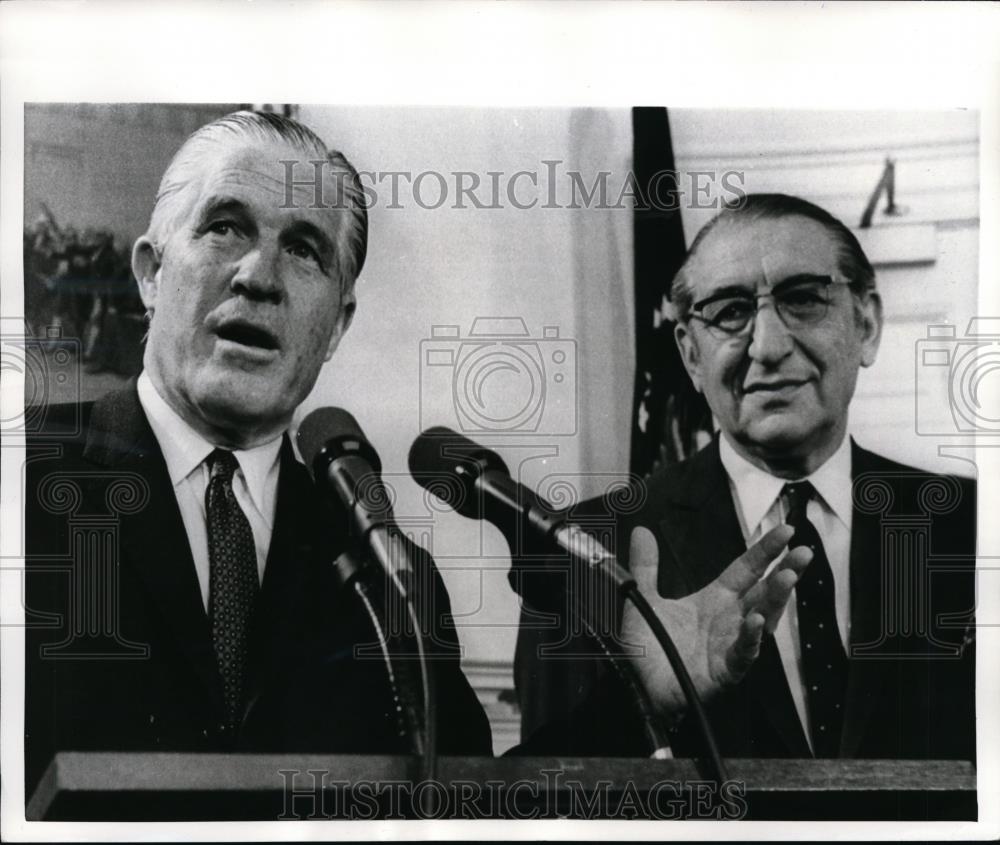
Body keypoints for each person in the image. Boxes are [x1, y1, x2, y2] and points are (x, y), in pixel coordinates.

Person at [23, 111, 493, 801]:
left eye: (304, 249)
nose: (259, 275)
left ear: (336, 324)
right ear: (151, 274)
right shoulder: (18, 483)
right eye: (226, 227)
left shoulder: (391, 580)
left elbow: (465, 799)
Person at [513, 194, 976, 763]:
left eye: (804, 299)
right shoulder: (586, 548)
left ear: (868, 324)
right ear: (690, 356)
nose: (768, 347)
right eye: (730, 312)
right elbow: (536, 795)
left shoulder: (973, 526)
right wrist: (649, 706)